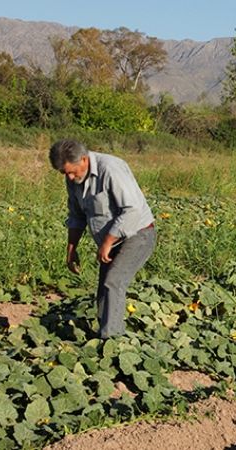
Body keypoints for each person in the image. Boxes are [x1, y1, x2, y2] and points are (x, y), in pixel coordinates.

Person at [49, 139, 156, 339]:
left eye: (72, 172)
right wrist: (71, 250)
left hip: (138, 234)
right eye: (65, 174)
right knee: (104, 291)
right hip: (112, 240)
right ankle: (103, 333)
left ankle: (112, 341)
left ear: (83, 159)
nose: (70, 178)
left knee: (113, 282)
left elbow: (131, 210)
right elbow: (76, 216)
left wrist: (107, 242)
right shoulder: (74, 179)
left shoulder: (111, 169)